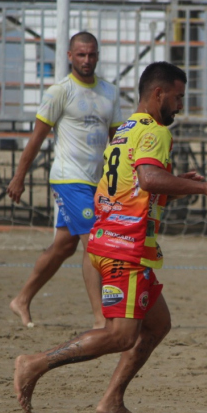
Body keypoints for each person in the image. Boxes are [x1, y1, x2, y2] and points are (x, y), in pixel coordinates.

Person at [13, 61, 207, 413]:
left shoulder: (126, 129)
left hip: (111, 239)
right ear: (158, 94)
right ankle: (35, 364)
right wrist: (205, 186)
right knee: (120, 335)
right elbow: (149, 179)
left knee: (158, 324)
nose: (181, 106)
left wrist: (176, 183)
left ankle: (111, 401)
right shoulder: (155, 131)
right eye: (178, 97)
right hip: (126, 248)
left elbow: (136, 186)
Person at [7, 32, 122, 329]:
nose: (87, 60)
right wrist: (19, 177)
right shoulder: (60, 91)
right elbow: (36, 139)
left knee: (64, 246)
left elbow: (118, 142)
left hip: (95, 183)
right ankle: (100, 319)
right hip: (68, 179)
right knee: (94, 242)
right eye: (81, 55)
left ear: (98, 55)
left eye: (92, 54)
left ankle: (21, 299)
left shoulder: (110, 92)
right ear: (70, 56)